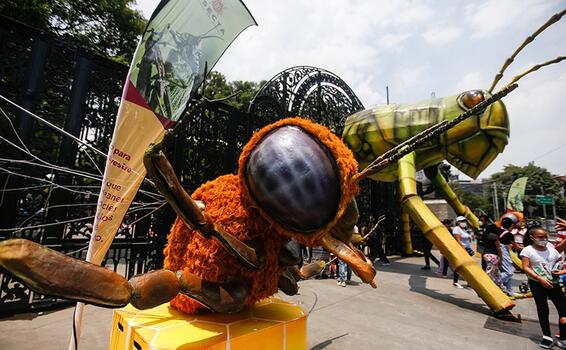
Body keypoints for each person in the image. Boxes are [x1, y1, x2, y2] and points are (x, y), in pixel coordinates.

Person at [520, 225, 566, 349]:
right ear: (532, 237)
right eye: (540, 237)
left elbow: (561, 263)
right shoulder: (528, 250)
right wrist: (540, 278)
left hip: (554, 283)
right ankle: (547, 336)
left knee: (563, 309)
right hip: (537, 284)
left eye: (545, 236)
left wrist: (561, 272)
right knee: (543, 309)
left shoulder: (552, 250)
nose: (544, 239)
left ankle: (563, 337)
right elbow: (526, 267)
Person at [481, 223, 506, 291]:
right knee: (490, 272)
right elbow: (498, 248)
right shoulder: (494, 236)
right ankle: (485, 288)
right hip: (493, 256)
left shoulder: (485, 235)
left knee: (496, 273)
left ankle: (502, 288)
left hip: (485, 254)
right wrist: (501, 258)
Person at [500, 215, 520, 295]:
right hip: (503, 252)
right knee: (509, 272)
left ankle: (509, 290)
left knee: (505, 270)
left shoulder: (498, 230)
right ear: (511, 225)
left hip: (497, 252)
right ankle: (493, 283)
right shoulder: (509, 235)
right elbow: (516, 247)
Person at [451, 216, 473, 288]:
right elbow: (458, 240)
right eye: (462, 221)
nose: (464, 222)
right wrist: (464, 250)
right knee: (460, 266)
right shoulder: (456, 229)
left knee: (468, 266)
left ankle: (469, 282)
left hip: (467, 248)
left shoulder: (464, 229)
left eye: (464, 221)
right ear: (458, 222)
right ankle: (455, 281)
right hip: (462, 250)